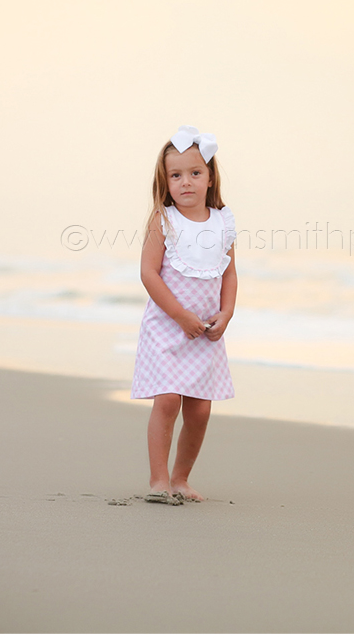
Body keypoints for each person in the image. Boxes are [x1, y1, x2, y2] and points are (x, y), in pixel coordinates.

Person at [130, 125, 237, 506]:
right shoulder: (164, 220)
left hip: (205, 333)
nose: (186, 182)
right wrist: (179, 316)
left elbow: (229, 273)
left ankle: (180, 478)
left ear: (210, 178)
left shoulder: (223, 223)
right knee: (168, 401)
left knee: (200, 409)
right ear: (166, 182)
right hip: (168, 325)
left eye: (195, 173)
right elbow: (148, 273)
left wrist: (225, 315)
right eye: (176, 175)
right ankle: (158, 480)